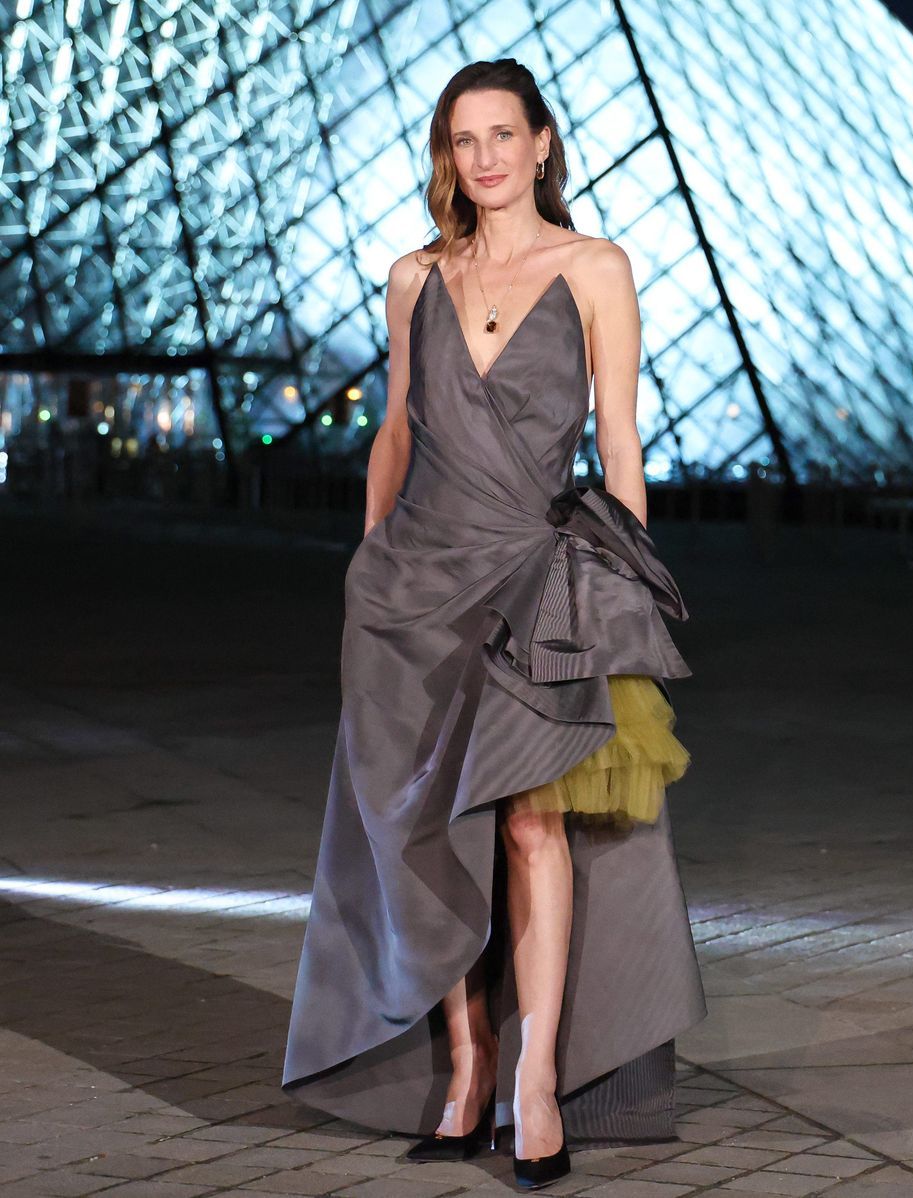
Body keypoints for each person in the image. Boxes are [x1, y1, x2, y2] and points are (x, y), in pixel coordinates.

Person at [282, 57, 706, 1190]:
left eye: (502, 133)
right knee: (429, 831)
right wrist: (367, 563)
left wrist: (613, 576)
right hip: (410, 587)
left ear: (543, 142)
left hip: (534, 580)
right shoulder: (413, 275)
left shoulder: (596, 266)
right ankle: (465, 1069)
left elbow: (619, 439)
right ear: (448, 156)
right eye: (463, 139)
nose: (484, 157)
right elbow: (397, 432)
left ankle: (533, 1077)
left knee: (530, 828)